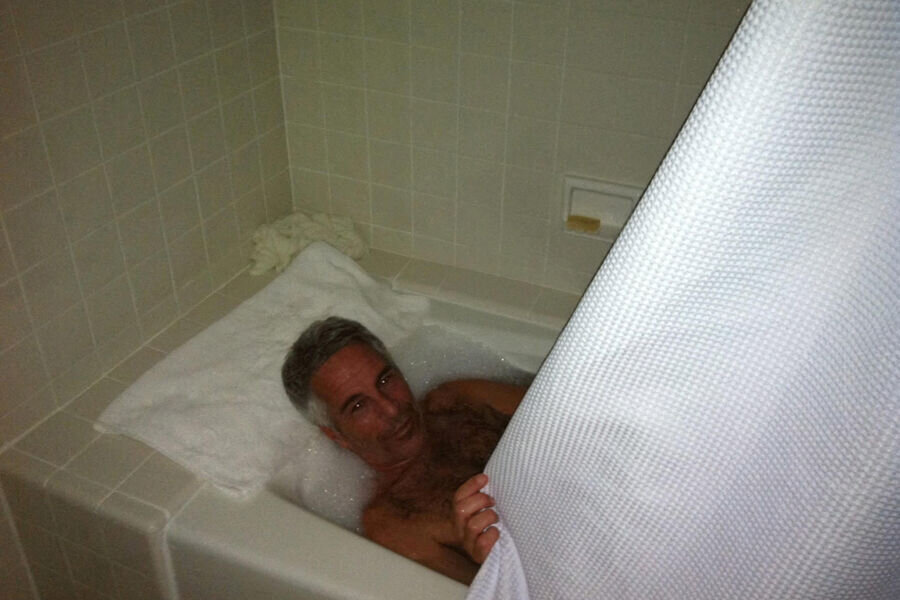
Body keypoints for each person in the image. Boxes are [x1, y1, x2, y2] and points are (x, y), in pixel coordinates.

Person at [281, 317, 527, 584]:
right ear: (336, 436)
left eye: (385, 380)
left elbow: (560, 417)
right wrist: (493, 563)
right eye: (359, 406)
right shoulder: (392, 520)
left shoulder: (458, 397)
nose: (390, 409)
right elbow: (481, 590)